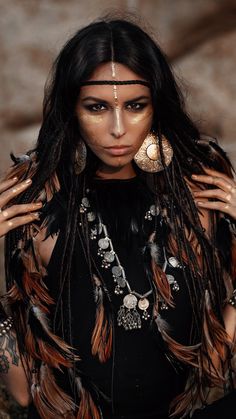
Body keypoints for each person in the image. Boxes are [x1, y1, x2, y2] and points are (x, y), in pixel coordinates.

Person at [0, 16, 235, 419]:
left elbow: (215, 367)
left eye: (135, 105)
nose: (118, 129)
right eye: (97, 108)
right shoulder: (35, 202)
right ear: (71, 108)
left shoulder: (199, 188)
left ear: (156, 104)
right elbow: (24, 393)